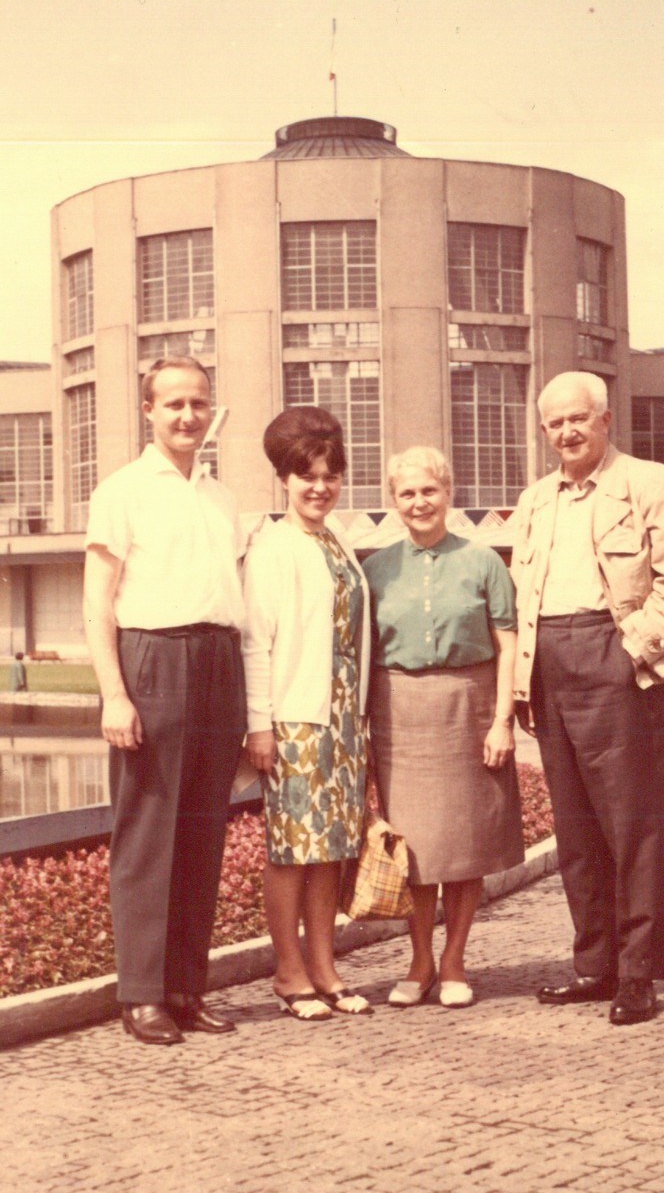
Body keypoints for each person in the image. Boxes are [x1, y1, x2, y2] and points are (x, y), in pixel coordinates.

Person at [511, 371, 664, 1026]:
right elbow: (522, 596)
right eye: (553, 424)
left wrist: (630, 652)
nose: (566, 432)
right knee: (575, 830)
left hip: (617, 654)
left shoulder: (648, 483)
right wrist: (521, 681)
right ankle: (594, 966)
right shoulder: (536, 499)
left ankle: (637, 974)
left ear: (603, 420)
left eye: (577, 419)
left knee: (633, 828)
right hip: (551, 664)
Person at [83, 356, 247, 1046]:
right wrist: (114, 694)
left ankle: (186, 987)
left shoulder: (220, 496)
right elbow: (98, 603)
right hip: (151, 660)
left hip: (218, 663)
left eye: (198, 403)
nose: (187, 416)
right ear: (148, 410)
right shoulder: (121, 491)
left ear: (211, 409)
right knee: (148, 836)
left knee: (202, 835)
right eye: (173, 404)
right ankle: (142, 995)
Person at [363, 447, 524, 1009]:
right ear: (394, 501)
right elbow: (363, 655)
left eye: (428, 490)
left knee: (462, 844)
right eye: (406, 493)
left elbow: (508, 646)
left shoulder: (484, 562)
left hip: (468, 704)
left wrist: (503, 720)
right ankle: (419, 961)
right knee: (415, 847)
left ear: (447, 493)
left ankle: (454, 960)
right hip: (398, 712)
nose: (418, 502)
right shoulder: (376, 568)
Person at [242, 407, 372, 1021]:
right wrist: (260, 724)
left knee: (332, 849)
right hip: (296, 715)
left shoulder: (336, 538)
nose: (319, 486)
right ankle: (288, 970)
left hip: (343, 716)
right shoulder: (273, 547)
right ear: (284, 480)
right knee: (293, 850)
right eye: (307, 476)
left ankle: (325, 967)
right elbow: (255, 641)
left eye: (330, 474)